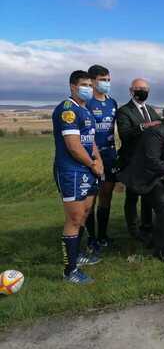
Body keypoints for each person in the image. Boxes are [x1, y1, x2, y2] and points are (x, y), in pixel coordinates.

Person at [118, 99, 164, 262]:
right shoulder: (156, 132)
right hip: (145, 177)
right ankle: (161, 250)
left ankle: (156, 236)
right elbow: (151, 160)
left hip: (162, 176)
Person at [52, 70, 104, 284]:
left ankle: (78, 255)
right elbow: (73, 147)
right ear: (73, 86)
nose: (89, 89)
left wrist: (98, 160)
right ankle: (69, 271)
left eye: (91, 85)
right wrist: (92, 164)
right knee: (74, 219)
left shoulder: (86, 110)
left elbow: (90, 141)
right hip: (71, 171)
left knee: (84, 214)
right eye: (84, 85)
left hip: (88, 170)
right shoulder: (68, 110)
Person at [116, 78, 161, 240]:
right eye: (139, 88)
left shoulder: (150, 109)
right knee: (132, 196)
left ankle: (147, 225)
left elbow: (160, 126)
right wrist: (144, 126)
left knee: (148, 194)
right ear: (131, 91)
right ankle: (133, 229)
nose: (143, 91)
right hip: (132, 160)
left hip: (149, 161)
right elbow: (125, 134)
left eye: (145, 88)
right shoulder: (124, 111)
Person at [84, 65, 118, 251]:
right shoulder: (87, 102)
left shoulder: (112, 102)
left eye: (108, 80)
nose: (106, 83)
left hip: (110, 156)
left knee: (107, 195)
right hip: (91, 157)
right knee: (91, 198)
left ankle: (103, 236)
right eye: (102, 80)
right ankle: (91, 238)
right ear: (93, 81)